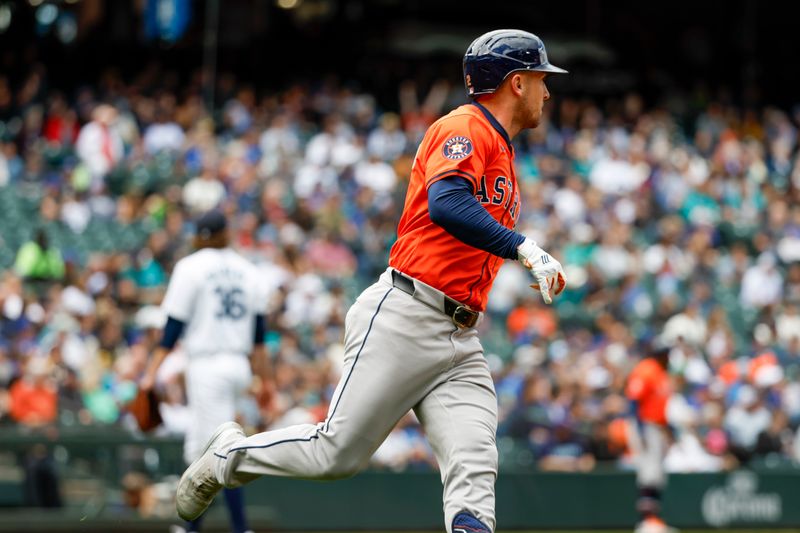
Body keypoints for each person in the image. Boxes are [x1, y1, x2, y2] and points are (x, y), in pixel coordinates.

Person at [175, 29, 568, 533]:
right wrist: (523, 247)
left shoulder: (502, 148)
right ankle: (229, 455)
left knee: (474, 463)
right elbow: (447, 204)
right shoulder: (466, 126)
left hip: (460, 338)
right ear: (516, 83)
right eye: (540, 78)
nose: (547, 91)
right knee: (333, 454)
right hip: (407, 312)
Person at [140, 209, 270, 533]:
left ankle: (241, 528)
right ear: (227, 233)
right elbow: (258, 339)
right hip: (238, 365)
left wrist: (150, 372)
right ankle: (190, 528)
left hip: (207, 366)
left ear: (199, 236)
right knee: (198, 447)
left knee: (219, 451)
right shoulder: (248, 270)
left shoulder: (190, 267)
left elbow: (172, 328)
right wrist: (264, 380)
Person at [625, 338, 676, 533]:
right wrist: (640, 430)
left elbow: (661, 408)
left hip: (656, 427)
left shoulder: (660, 372)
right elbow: (634, 401)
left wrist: (669, 432)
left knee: (656, 476)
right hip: (645, 426)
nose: (669, 357)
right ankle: (646, 523)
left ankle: (654, 521)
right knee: (649, 474)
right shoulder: (646, 368)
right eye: (666, 353)